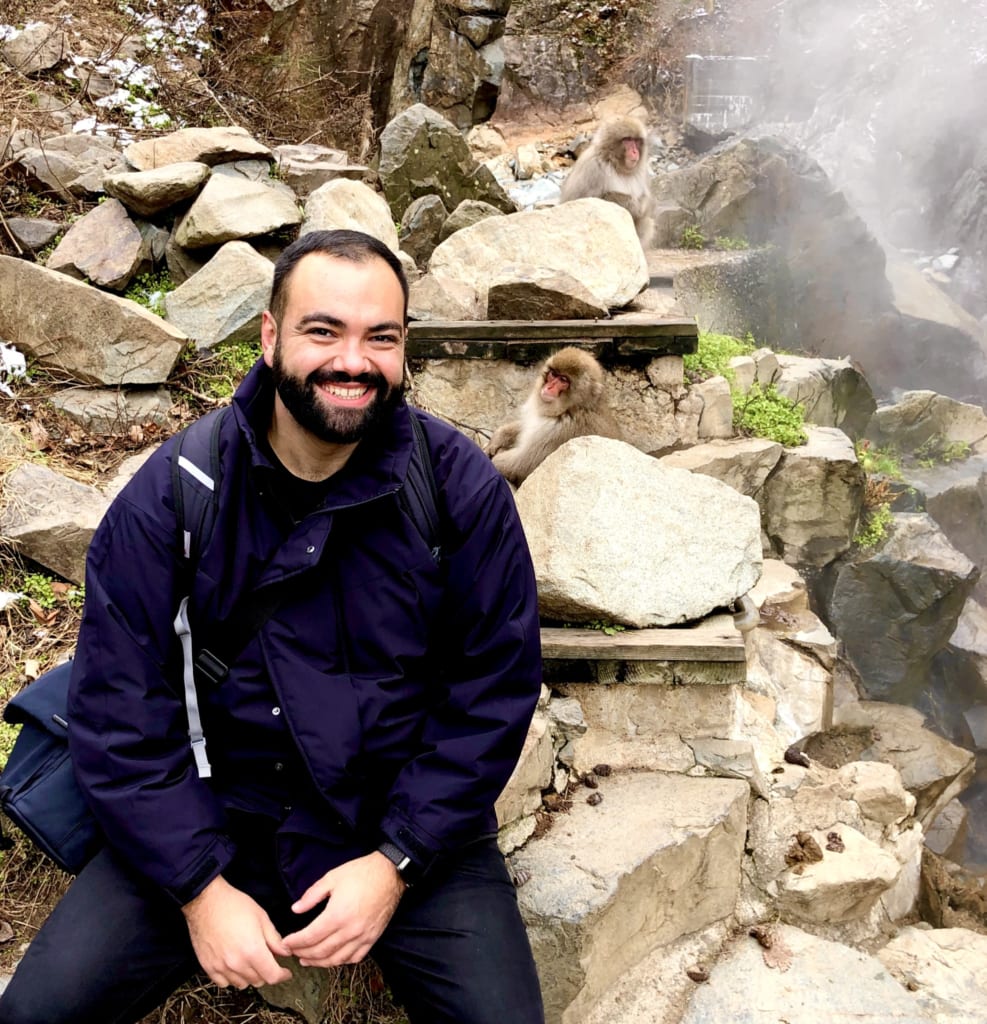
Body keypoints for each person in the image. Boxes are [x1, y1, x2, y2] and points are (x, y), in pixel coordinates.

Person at [0, 229, 545, 1024]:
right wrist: (197, 888)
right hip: (215, 817)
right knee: (34, 1016)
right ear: (269, 336)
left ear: (403, 348)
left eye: (380, 338)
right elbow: (120, 711)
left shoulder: (457, 490)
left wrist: (396, 861)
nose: (353, 362)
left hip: (398, 821)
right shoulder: (178, 490)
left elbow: (493, 691)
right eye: (323, 331)